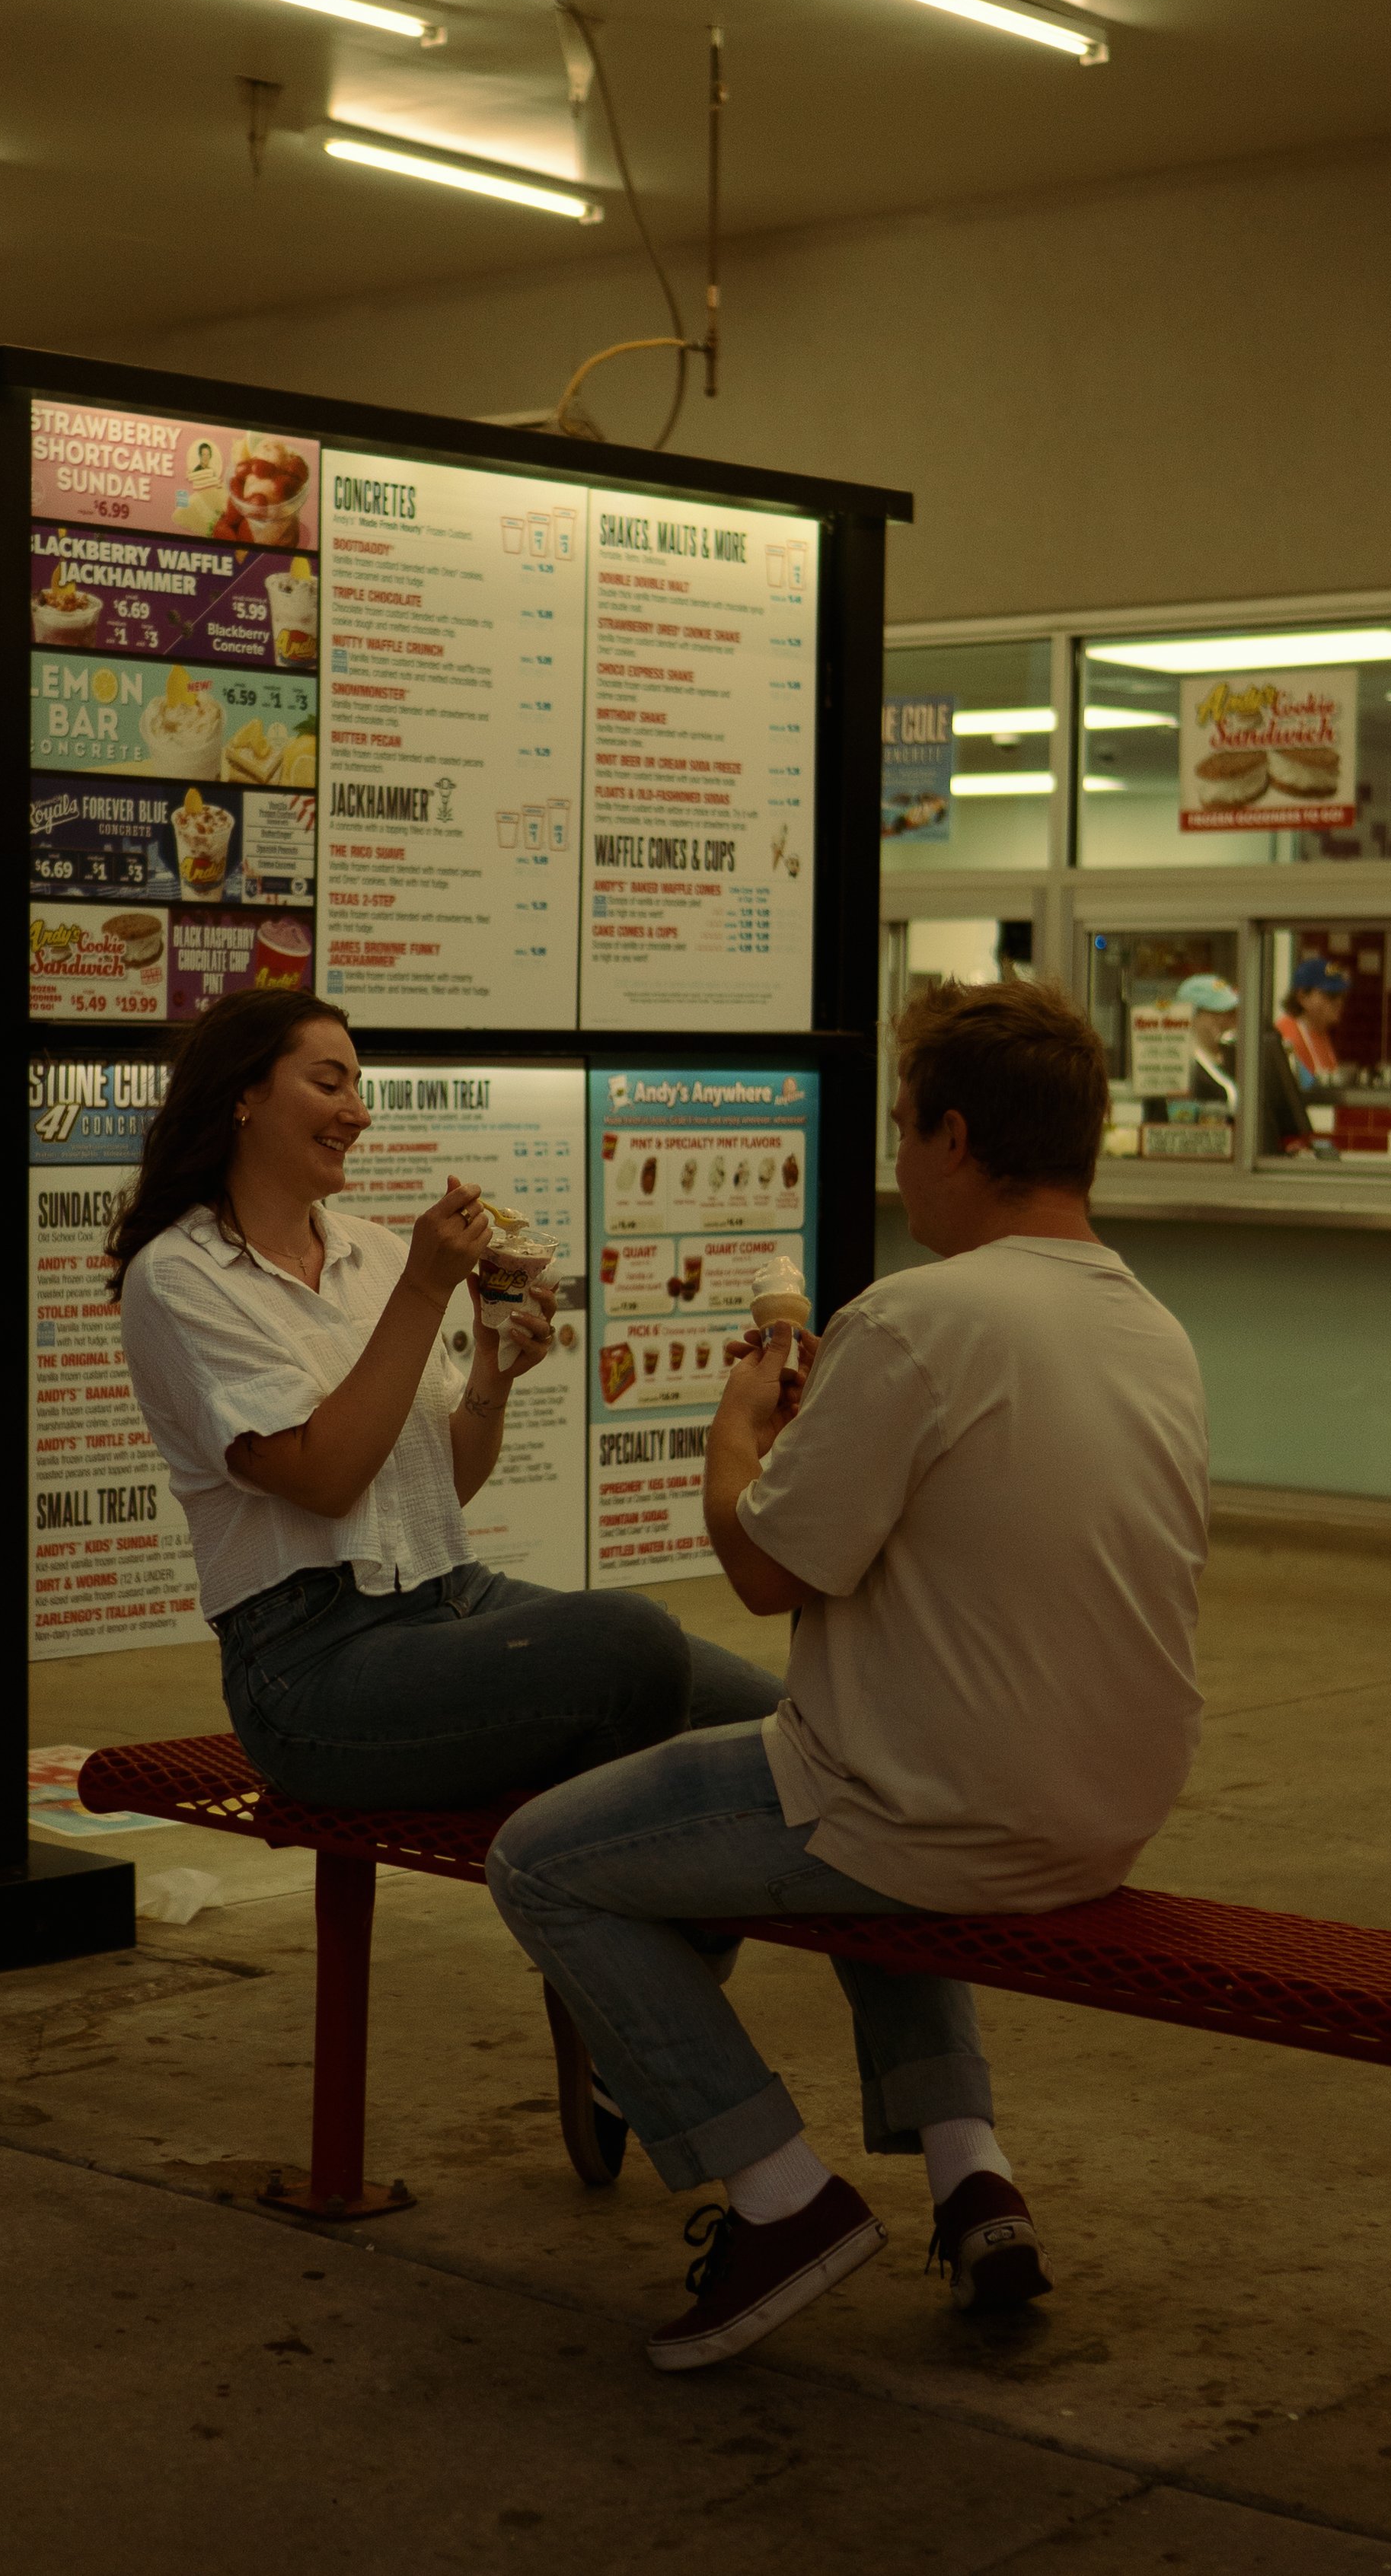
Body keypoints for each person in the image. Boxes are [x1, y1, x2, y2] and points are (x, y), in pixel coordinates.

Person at [487, 977, 1209, 2373]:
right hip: (1108, 1807)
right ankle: (969, 2169)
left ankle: (778, 2195)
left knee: (542, 1864)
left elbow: (766, 1570)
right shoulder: (1154, 1329)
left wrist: (739, 1434)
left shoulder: (917, 1318)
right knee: (846, 1772)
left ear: (951, 1134)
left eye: (898, 1126)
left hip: (938, 1805)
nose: (896, 1158)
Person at [113, 986, 780, 2175]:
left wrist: (495, 1378)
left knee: (780, 1726)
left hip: (448, 1600)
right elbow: (321, 1480)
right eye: (328, 1080)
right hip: (310, 1667)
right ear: (245, 1096)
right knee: (631, 1649)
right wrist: (427, 1294)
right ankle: (624, 1992)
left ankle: (623, 2002)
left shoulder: (369, 1250)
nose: (356, 1112)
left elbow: (436, 1484)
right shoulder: (179, 1278)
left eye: (358, 1084)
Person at [1277, 954, 1348, 1082]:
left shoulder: (1320, 1032)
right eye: (1331, 995)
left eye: (1341, 996)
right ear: (1303, 997)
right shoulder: (1286, 1036)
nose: (1339, 1002)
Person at [1176, 971, 1238, 1112]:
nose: (1227, 1019)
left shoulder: (1233, 1053)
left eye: (1231, 1012)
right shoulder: (1185, 1066)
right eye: (1217, 1012)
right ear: (1192, 1015)